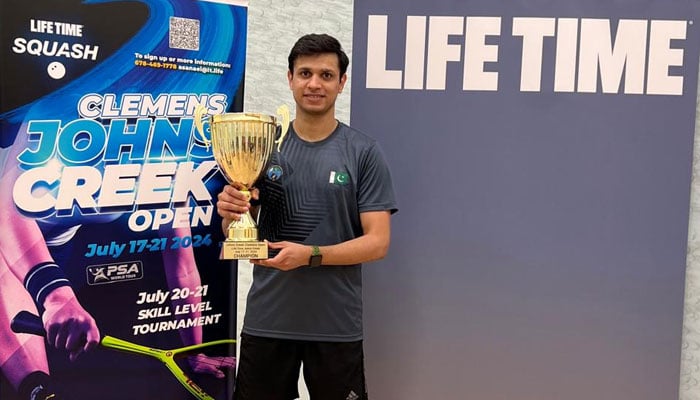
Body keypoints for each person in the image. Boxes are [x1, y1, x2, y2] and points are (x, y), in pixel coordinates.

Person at [216, 33, 398, 400]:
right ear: (290, 78)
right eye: (305, 73)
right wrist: (231, 211)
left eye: (326, 75)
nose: (314, 84)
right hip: (268, 321)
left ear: (341, 83)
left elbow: (378, 242)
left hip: (335, 325)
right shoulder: (264, 148)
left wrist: (311, 254)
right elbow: (238, 232)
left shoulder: (363, 152)